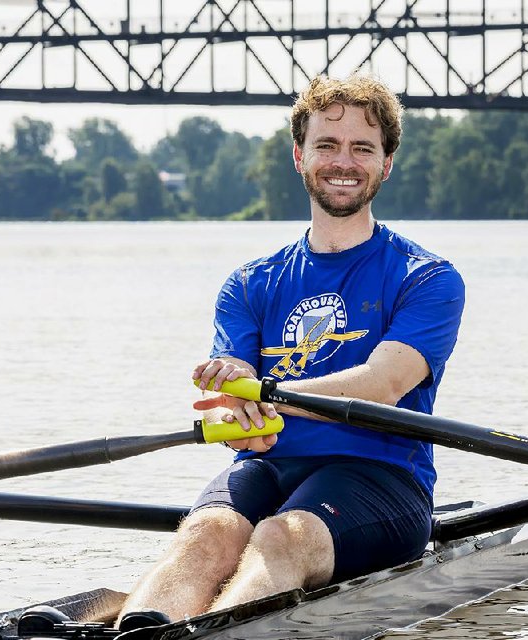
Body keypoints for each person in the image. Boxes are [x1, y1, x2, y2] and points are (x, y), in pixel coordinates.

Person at [115, 75, 465, 631]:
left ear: (386, 162)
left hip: (381, 476)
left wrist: (266, 400)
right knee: (208, 534)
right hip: (265, 463)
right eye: (327, 145)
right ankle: (138, 627)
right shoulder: (249, 283)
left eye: (361, 148)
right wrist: (235, 402)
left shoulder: (427, 278)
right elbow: (237, 383)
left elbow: (381, 384)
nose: (342, 161)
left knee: (280, 535)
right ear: (299, 156)